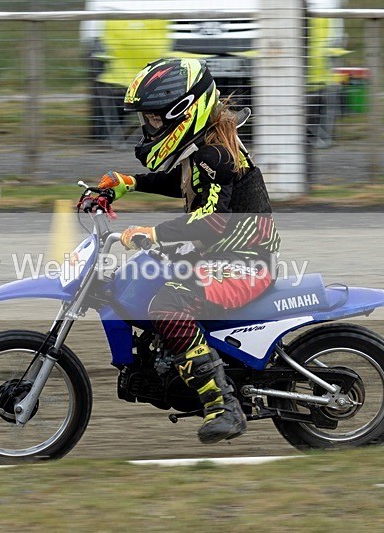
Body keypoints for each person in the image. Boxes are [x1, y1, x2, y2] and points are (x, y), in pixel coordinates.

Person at [98, 58, 281, 444]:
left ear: (183, 111)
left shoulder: (216, 156)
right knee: (142, 274)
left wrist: (153, 231)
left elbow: (212, 222)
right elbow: (182, 182)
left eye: (152, 119)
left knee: (166, 306)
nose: (147, 128)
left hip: (244, 264)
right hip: (218, 256)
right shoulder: (202, 151)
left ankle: (223, 406)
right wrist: (127, 183)